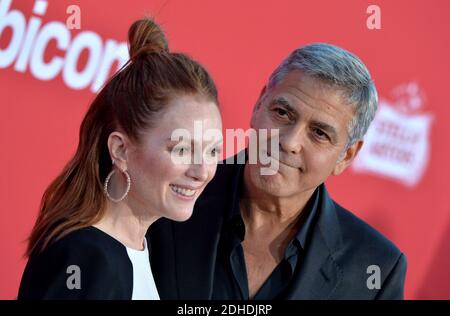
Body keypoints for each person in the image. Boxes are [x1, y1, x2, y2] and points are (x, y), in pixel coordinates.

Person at [148, 43, 407, 299]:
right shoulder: (167, 194)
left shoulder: (376, 269)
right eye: (283, 113)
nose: (289, 142)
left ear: (347, 155)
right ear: (259, 104)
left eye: (319, 133)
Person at [18, 17, 222, 300]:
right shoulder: (86, 259)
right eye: (182, 149)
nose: (202, 171)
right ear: (120, 150)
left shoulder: (139, 249)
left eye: (213, 151)